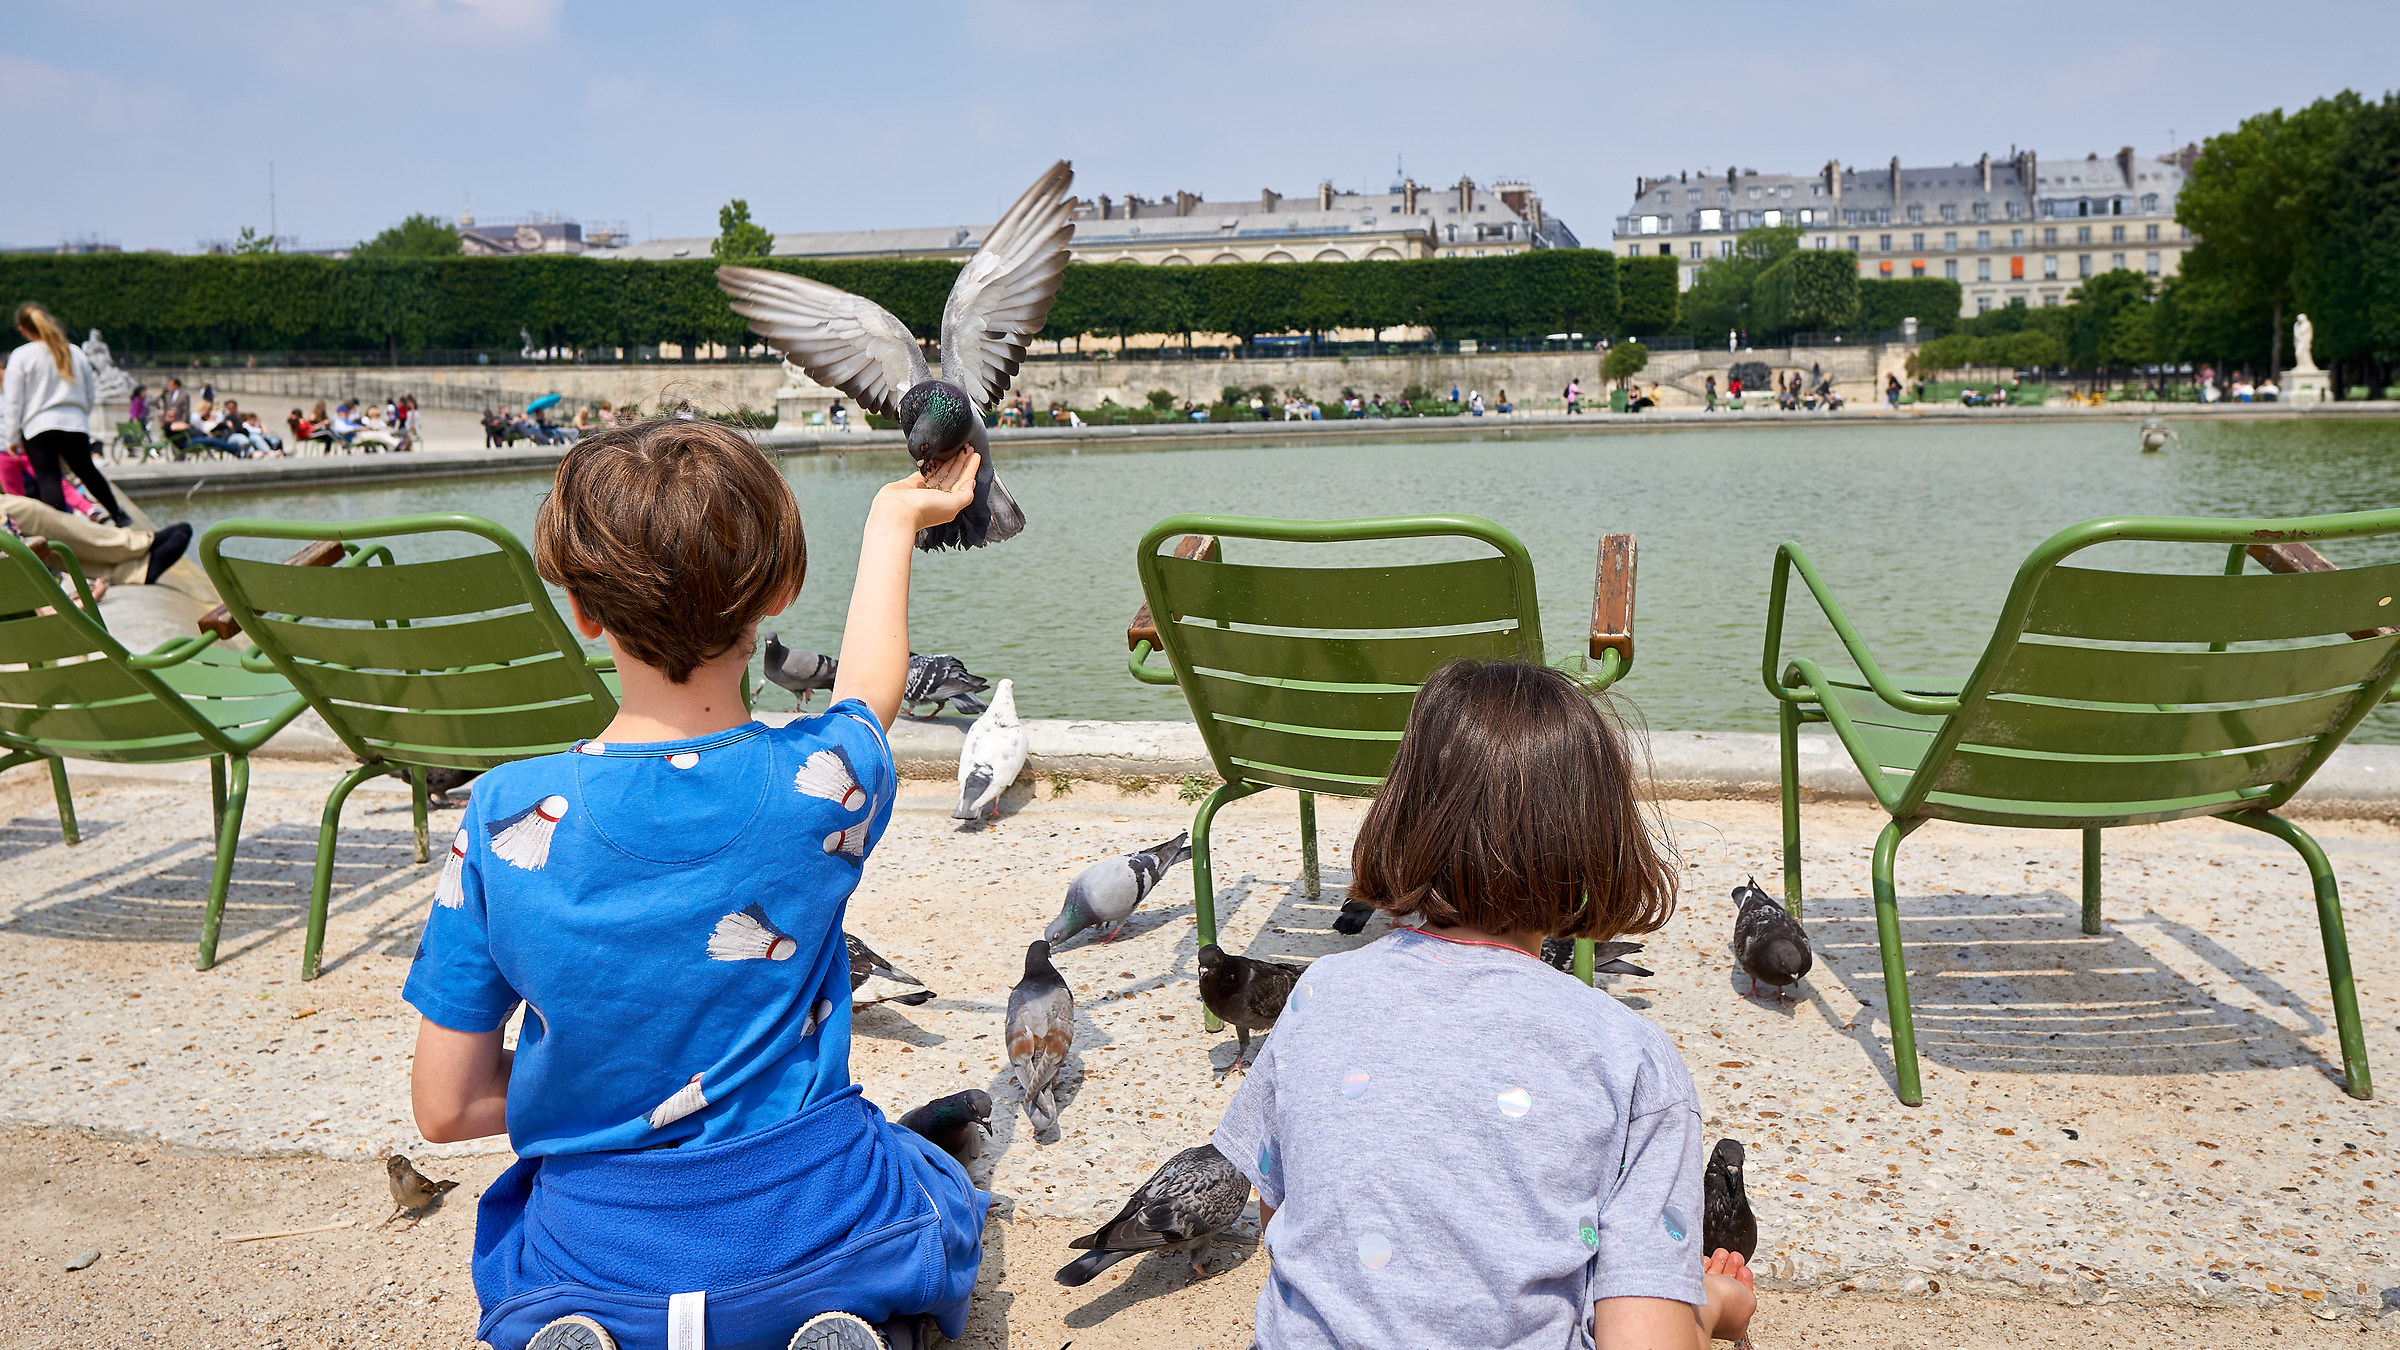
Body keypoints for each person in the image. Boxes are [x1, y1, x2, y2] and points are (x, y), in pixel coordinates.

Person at [406, 418, 987, 1350]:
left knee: (544, 1254)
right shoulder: (824, 781)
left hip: (598, 1251)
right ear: (780, 591)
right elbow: (870, 695)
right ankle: (847, 1322)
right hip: (812, 1222)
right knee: (938, 1184)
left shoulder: (504, 813)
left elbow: (446, 1108)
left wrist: (605, 1089)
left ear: (583, 610)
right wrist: (893, 521)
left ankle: (585, 1326)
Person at [1212, 659, 1755, 1350]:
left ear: (1403, 813)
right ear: (1596, 839)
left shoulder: (1319, 992)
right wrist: (1712, 1309)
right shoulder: (1631, 1058)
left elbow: (1290, 1226)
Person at [2, 302, 132, 526]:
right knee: (87, 471)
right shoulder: (75, 352)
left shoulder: (22, 355)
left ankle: (62, 530)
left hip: (38, 426)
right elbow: (90, 393)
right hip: (74, 423)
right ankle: (118, 515)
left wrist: (12, 437)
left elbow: (14, 402)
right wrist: (80, 417)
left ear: (23, 329)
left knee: (49, 478)